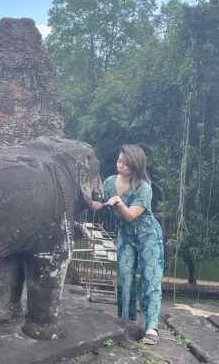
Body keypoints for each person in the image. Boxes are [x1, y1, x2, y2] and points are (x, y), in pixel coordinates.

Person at [85, 144, 164, 345]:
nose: (121, 166)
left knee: (150, 278)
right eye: (120, 161)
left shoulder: (144, 188)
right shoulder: (110, 182)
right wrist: (87, 200)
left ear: (136, 166)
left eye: (126, 164)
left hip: (148, 236)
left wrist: (119, 203)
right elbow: (100, 205)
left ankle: (151, 326)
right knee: (124, 276)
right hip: (126, 236)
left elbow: (130, 216)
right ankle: (126, 321)